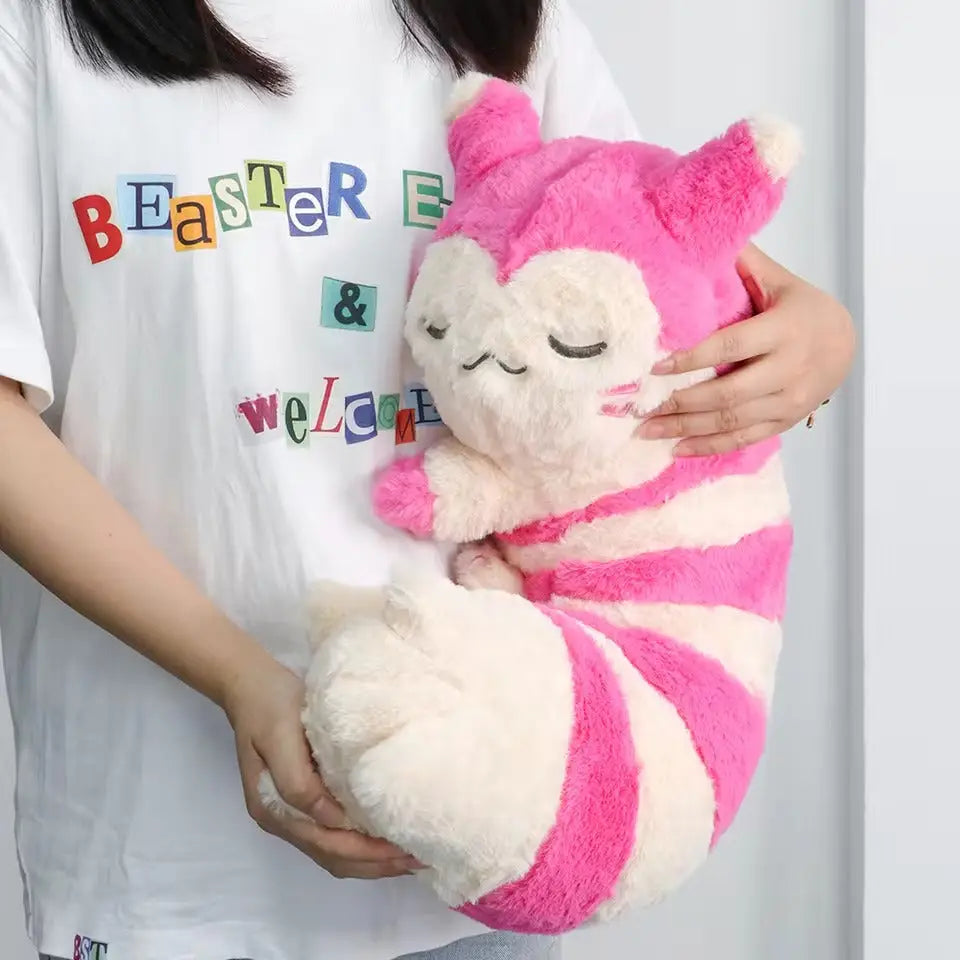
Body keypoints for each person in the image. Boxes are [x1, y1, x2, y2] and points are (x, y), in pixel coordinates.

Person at [0, 1, 855, 958]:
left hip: (477, 822)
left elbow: (649, 259)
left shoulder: (505, 24)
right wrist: (240, 678)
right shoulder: (35, 30)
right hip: (165, 850)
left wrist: (815, 335)